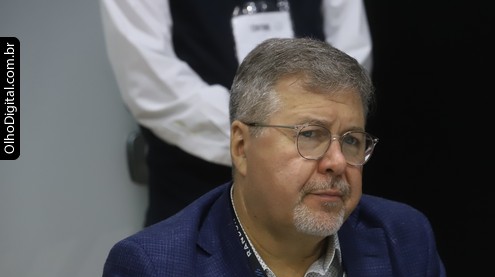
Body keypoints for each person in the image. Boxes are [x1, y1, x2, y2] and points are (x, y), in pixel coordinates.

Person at [87, 37, 495, 277]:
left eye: (352, 140)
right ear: (241, 147)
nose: (336, 162)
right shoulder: (154, 273)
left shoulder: (401, 236)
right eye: (311, 135)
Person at [99, 0, 373, 226]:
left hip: (319, 171)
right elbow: (150, 81)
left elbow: (349, 63)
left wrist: (307, 134)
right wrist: (269, 138)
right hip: (194, 181)